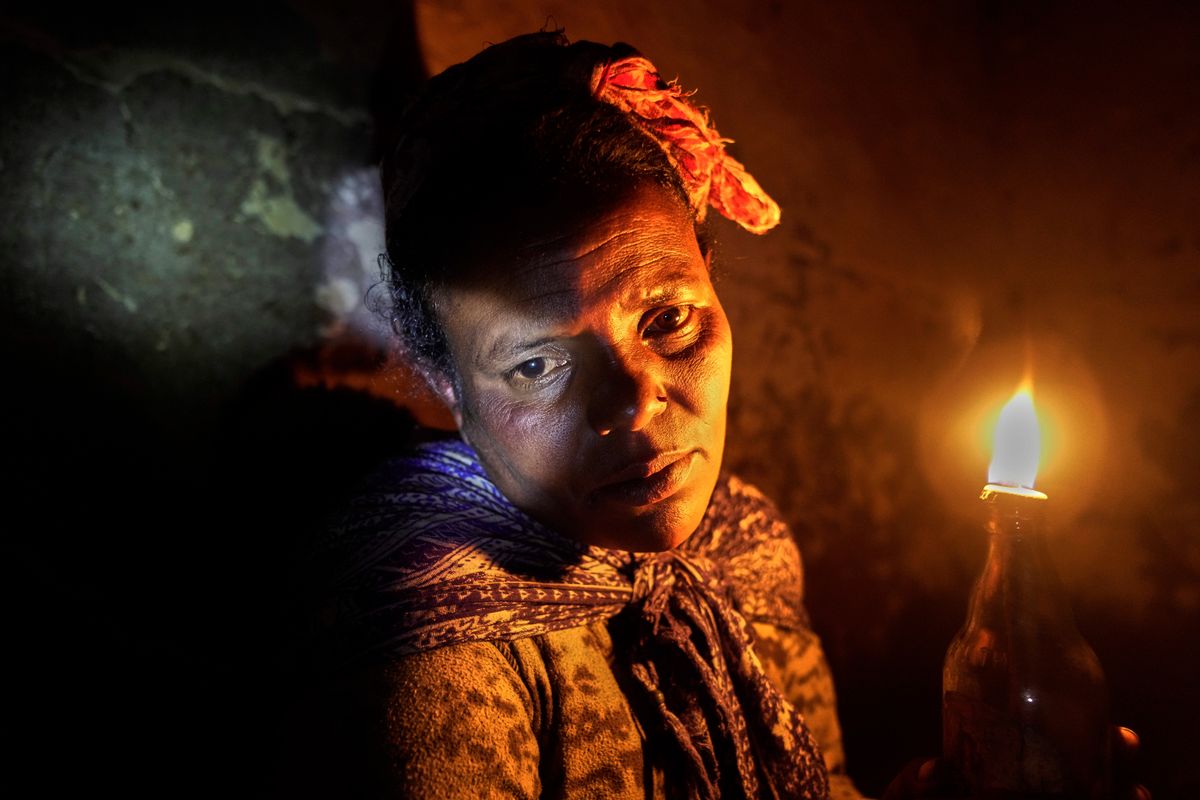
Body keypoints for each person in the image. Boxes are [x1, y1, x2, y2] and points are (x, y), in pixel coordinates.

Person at [284, 29, 1148, 800]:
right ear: (444, 382)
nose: (634, 402)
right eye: (538, 365)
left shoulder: (741, 553)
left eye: (668, 319)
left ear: (711, 273)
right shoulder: (426, 638)